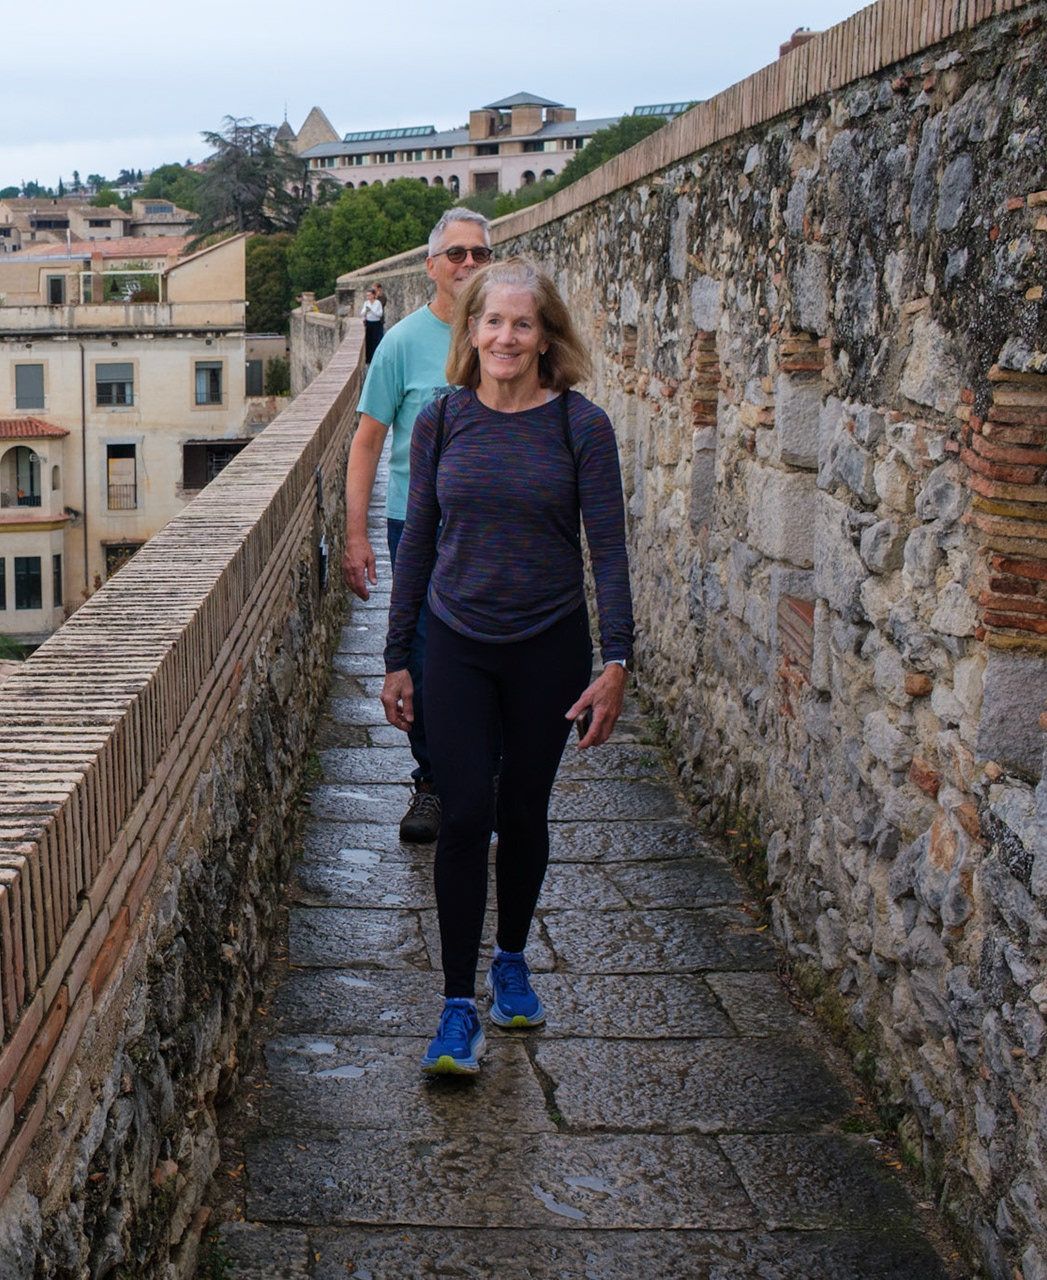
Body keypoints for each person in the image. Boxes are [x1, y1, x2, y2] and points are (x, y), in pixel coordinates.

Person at [379, 257, 634, 1076]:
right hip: (455, 642)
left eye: (523, 323)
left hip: (547, 646)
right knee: (461, 815)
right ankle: (457, 1007)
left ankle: (513, 959)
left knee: (522, 814)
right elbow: (417, 540)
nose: (506, 337)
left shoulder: (581, 427)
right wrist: (397, 656)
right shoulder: (443, 422)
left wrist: (617, 660)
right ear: (472, 331)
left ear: (545, 334)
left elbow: (609, 551)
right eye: (493, 321)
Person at [343, 207, 493, 844]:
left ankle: (487, 780)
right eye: (455, 254)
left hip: (494, 527)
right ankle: (432, 782)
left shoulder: (508, 334)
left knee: (492, 654)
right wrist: (356, 535)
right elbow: (367, 441)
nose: (466, 264)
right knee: (425, 659)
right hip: (418, 525)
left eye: (479, 254)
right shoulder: (402, 343)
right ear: (431, 266)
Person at [361, 285, 386, 363]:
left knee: (376, 340)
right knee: (368, 340)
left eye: (369, 295)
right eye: (367, 295)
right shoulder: (366, 303)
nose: (368, 297)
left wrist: (371, 310)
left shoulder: (378, 303)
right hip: (369, 323)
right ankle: (368, 359)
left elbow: (380, 314)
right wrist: (366, 311)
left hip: (376, 323)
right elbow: (362, 313)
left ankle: (376, 357)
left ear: (373, 295)